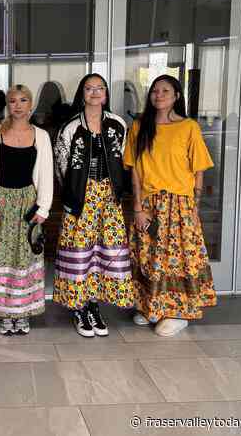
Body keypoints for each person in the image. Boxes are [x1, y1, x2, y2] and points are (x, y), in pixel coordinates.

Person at [123, 74, 216, 337]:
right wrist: (138, 208)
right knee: (148, 256)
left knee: (179, 259)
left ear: (176, 96)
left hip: (179, 204)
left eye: (165, 91)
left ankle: (178, 312)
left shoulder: (188, 127)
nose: (159, 95)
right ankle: (149, 306)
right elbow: (135, 171)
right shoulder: (140, 127)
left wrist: (194, 207)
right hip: (150, 203)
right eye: (154, 91)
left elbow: (198, 170)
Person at [52, 74, 135, 338]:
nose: (95, 92)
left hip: (110, 197)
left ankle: (94, 305)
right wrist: (75, 193)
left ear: (107, 93)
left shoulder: (118, 124)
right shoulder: (70, 127)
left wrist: (118, 190)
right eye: (89, 88)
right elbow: (61, 166)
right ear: (81, 93)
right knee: (80, 252)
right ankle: (79, 307)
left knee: (104, 252)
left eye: (100, 88)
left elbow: (125, 161)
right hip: (81, 197)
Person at [0, 84, 54, 336]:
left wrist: (43, 207)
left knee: (25, 258)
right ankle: (3, 312)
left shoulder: (40, 135)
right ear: (7, 106)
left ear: (30, 105)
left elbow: (45, 174)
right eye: (13, 101)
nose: (18, 105)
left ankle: (22, 313)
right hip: (1, 203)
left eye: (23, 100)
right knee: (1, 256)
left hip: (28, 203)